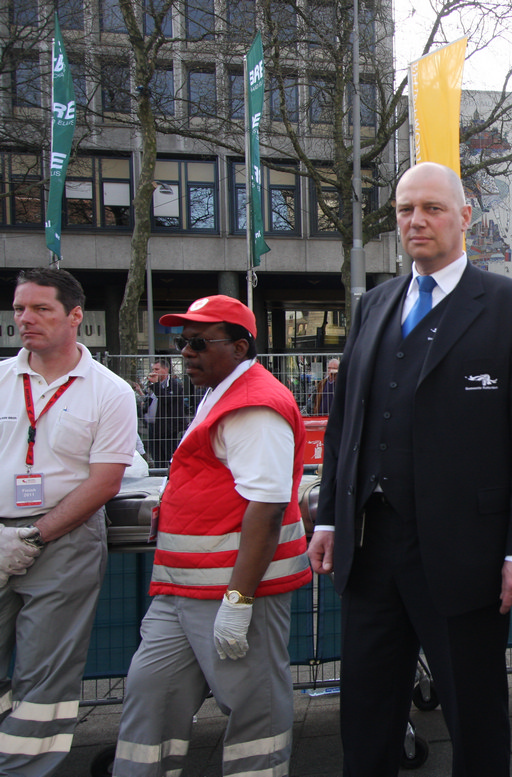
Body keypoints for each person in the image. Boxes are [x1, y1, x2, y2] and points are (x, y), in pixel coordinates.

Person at [307, 161, 512, 777]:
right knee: (366, 715)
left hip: (465, 553)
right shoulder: (373, 306)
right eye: (405, 210)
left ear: (464, 217)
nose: (416, 220)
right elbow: (346, 425)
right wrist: (331, 518)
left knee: (475, 716)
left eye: (432, 208)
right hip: (371, 548)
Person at [114, 295, 311, 776]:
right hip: (184, 587)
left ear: (240, 347)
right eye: (182, 342)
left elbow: (267, 508)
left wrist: (239, 601)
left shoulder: (254, 406)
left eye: (200, 342)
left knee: (253, 706)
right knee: (151, 693)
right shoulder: (223, 392)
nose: (186, 352)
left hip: (230, 590)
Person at [0, 268, 136, 774]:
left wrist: (33, 536)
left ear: (75, 315)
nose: (25, 319)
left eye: (41, 309)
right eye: (19, 308)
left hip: (66, 539)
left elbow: (104, 481)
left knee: (45, 676)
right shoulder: (1, 379)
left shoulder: (110, 392)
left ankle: (24, 770)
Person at [144, 357, 185, 465]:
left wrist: (156, 385)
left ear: (166, 369)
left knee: (169, 458)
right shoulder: (153, 385)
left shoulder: (174, 385)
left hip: (168, 429)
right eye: (153, 369)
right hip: (154, 428)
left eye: (157, 369)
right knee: (157, 458)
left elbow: (166, 399)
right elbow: (149, 402)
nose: (154, 372)